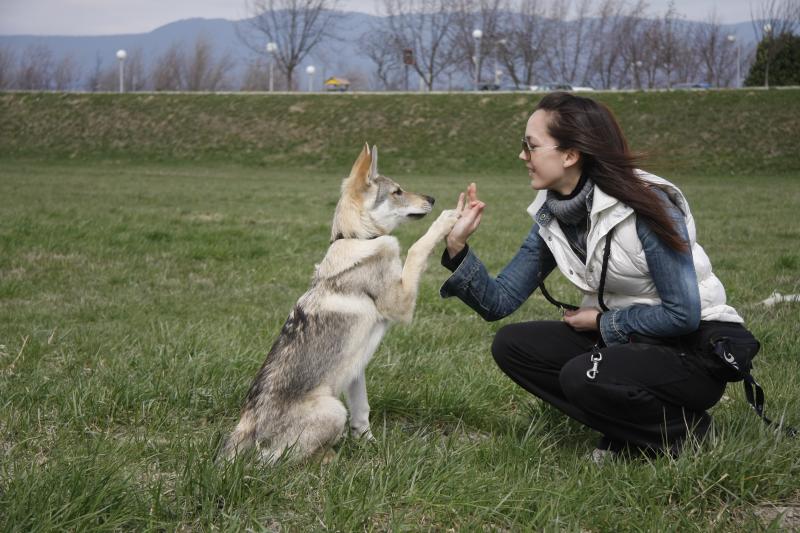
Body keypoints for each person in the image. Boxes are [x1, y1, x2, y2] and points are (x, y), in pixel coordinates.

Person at [439, 92, 744, 461]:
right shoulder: (553, 216)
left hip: (692, 350)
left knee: (582, 373)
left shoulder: (648, 206)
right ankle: (631, 431)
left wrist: (602, 322)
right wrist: (457, 246)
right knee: (512, 345)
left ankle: (683, 432)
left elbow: (683, 314)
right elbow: (499, 302)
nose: (523, 156)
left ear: (570, 155)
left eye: (531, 146)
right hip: (628, 343)